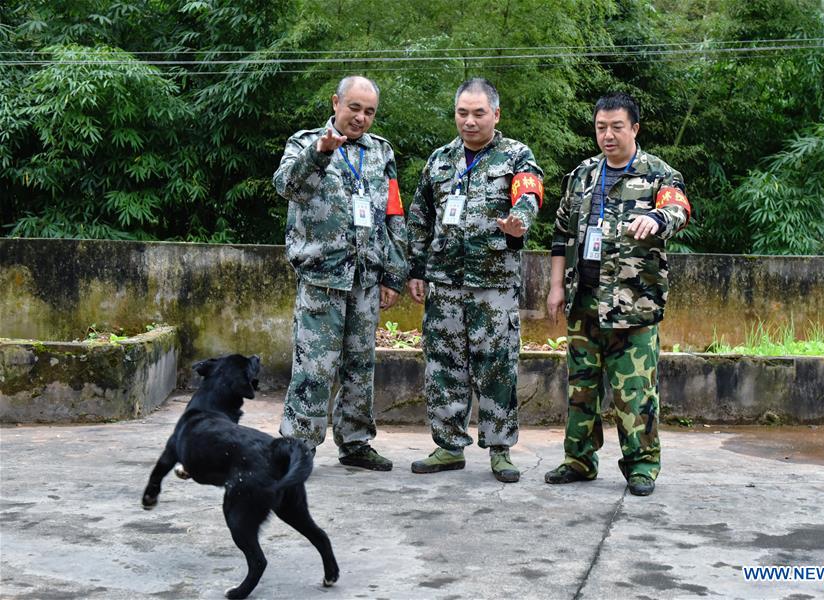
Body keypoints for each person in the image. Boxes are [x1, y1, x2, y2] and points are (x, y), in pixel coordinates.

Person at [544, 92, 690, 496]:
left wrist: (657, 219)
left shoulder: (659, 174)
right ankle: (578, 460)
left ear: (635, 129)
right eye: (601, 127)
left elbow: (678, 209)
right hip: (584, 301)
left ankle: (642, 466)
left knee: (636, 393)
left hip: (634, 308)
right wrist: (556, 287)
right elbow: (561, 235)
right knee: (581, 389)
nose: (607, 136)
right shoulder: (582, 176)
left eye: (616, 127)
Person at [406, 78, 543, 483]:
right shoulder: (439, 160)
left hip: (493, 285)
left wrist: (520, 221)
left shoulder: (516, 156)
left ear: (496, 115)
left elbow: (529, 193)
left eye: (479, 113)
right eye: (462, 113)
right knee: (443, 366)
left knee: (497, 367)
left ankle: (500, 450)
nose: (469, 121)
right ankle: (448, 446)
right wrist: (416, 269)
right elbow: (419, 217)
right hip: (445, 285)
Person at [273, 75, 407, 471]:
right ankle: (299, 447)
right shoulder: (304, 143)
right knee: (314, 366)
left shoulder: (381, 152)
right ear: (336, 103)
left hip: (366, 278)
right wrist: (320, 153)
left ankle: (355, 442)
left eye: (369, 112)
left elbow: (393, 214)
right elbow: (287, 187)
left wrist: (393, 274)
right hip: (321, 277)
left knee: (360, 365)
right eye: (354, 108)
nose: (361, 118)